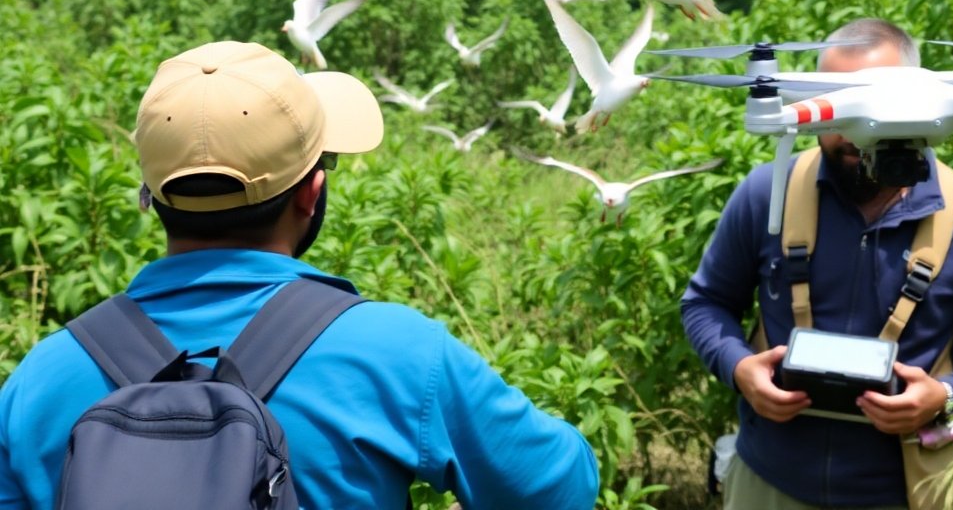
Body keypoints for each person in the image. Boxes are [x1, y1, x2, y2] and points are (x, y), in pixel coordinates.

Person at [0, 40, 600, 509]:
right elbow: (559, 490)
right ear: (312, 193)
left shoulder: (37, 384)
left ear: (151, 199)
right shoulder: (399, 354)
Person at [682, 18, 953, 508]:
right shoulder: (769, 193)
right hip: (769, 480)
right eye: (839, 110)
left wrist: (945, 393)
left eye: (874, 106)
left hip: (906, 489)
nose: (853, 133)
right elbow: (705, 303)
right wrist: (738, 367)